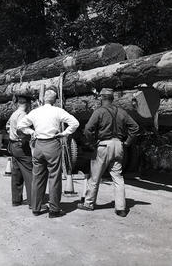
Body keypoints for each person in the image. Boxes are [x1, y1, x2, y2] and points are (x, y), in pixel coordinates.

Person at [17, 88, 79, 218]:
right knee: (54, 177)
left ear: (43, 99)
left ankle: (35, 207)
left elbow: (21, 125)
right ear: (55, 100)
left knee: (37, 177)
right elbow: (75, 123)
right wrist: (64, 133)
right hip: (52, 144)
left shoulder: (35, 112)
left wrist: (32, 132)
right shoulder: (58, 111)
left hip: (38, 145)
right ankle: (54, 209)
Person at [77, 88, 139, 217]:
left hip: (103, 145)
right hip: (119, 145)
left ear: (101, 98)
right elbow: (135, 127)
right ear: (112, 98)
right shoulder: (122, 112)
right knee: (118, 177)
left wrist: (91, 142)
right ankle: (121, 208)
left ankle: (88, 203)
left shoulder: (99, 111)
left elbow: (88, 129)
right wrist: (127, 142)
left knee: (95, 177)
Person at [6, 95, 33, 208]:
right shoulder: (23, 115)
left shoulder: (14, 113)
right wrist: (31, 135)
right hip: (20, 145)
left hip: (13, 145)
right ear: (27, 104)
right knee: (29, 173)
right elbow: (21, 130)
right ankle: (34, 202)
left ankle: (16, 200)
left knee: (17, 173)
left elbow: (8, 127)